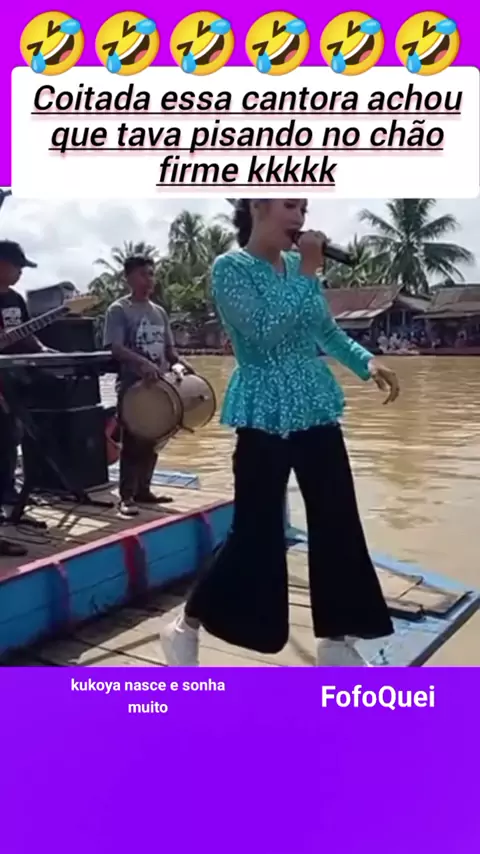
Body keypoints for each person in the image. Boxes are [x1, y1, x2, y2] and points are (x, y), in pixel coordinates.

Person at [161, 198, 400, 668]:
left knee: (337, 521)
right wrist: (309, 271)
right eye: (290, 206)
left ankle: (336, 641)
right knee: (256, 531)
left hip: (314, 405)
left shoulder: (297, 267)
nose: (300, 218)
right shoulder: (231, 269)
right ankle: (184, 626)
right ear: (258, 206)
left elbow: (325, 332)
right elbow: (264, 331)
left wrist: (366, 362)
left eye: (304, 209)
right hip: (263, 411)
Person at [103, 255, 193, 517]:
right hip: (133, 386)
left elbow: (170, 350)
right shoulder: (119, 310)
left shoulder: (159, 312)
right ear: (128, 278)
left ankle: (144, 490)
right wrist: (142, 364)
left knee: (154, 439)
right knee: (132, 441)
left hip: (160, 387)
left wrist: (182, 365)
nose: (149, 279)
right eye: (143, 274)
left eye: (152, 274)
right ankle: (126, 497)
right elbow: (116, 348)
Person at [0, 239, 52, 557]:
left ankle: (8, 493)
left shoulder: (16, 299)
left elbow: (25, 332)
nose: (20, 273)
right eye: (17, 266)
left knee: (11, 437)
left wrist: (44, 350)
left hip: (11, 379)